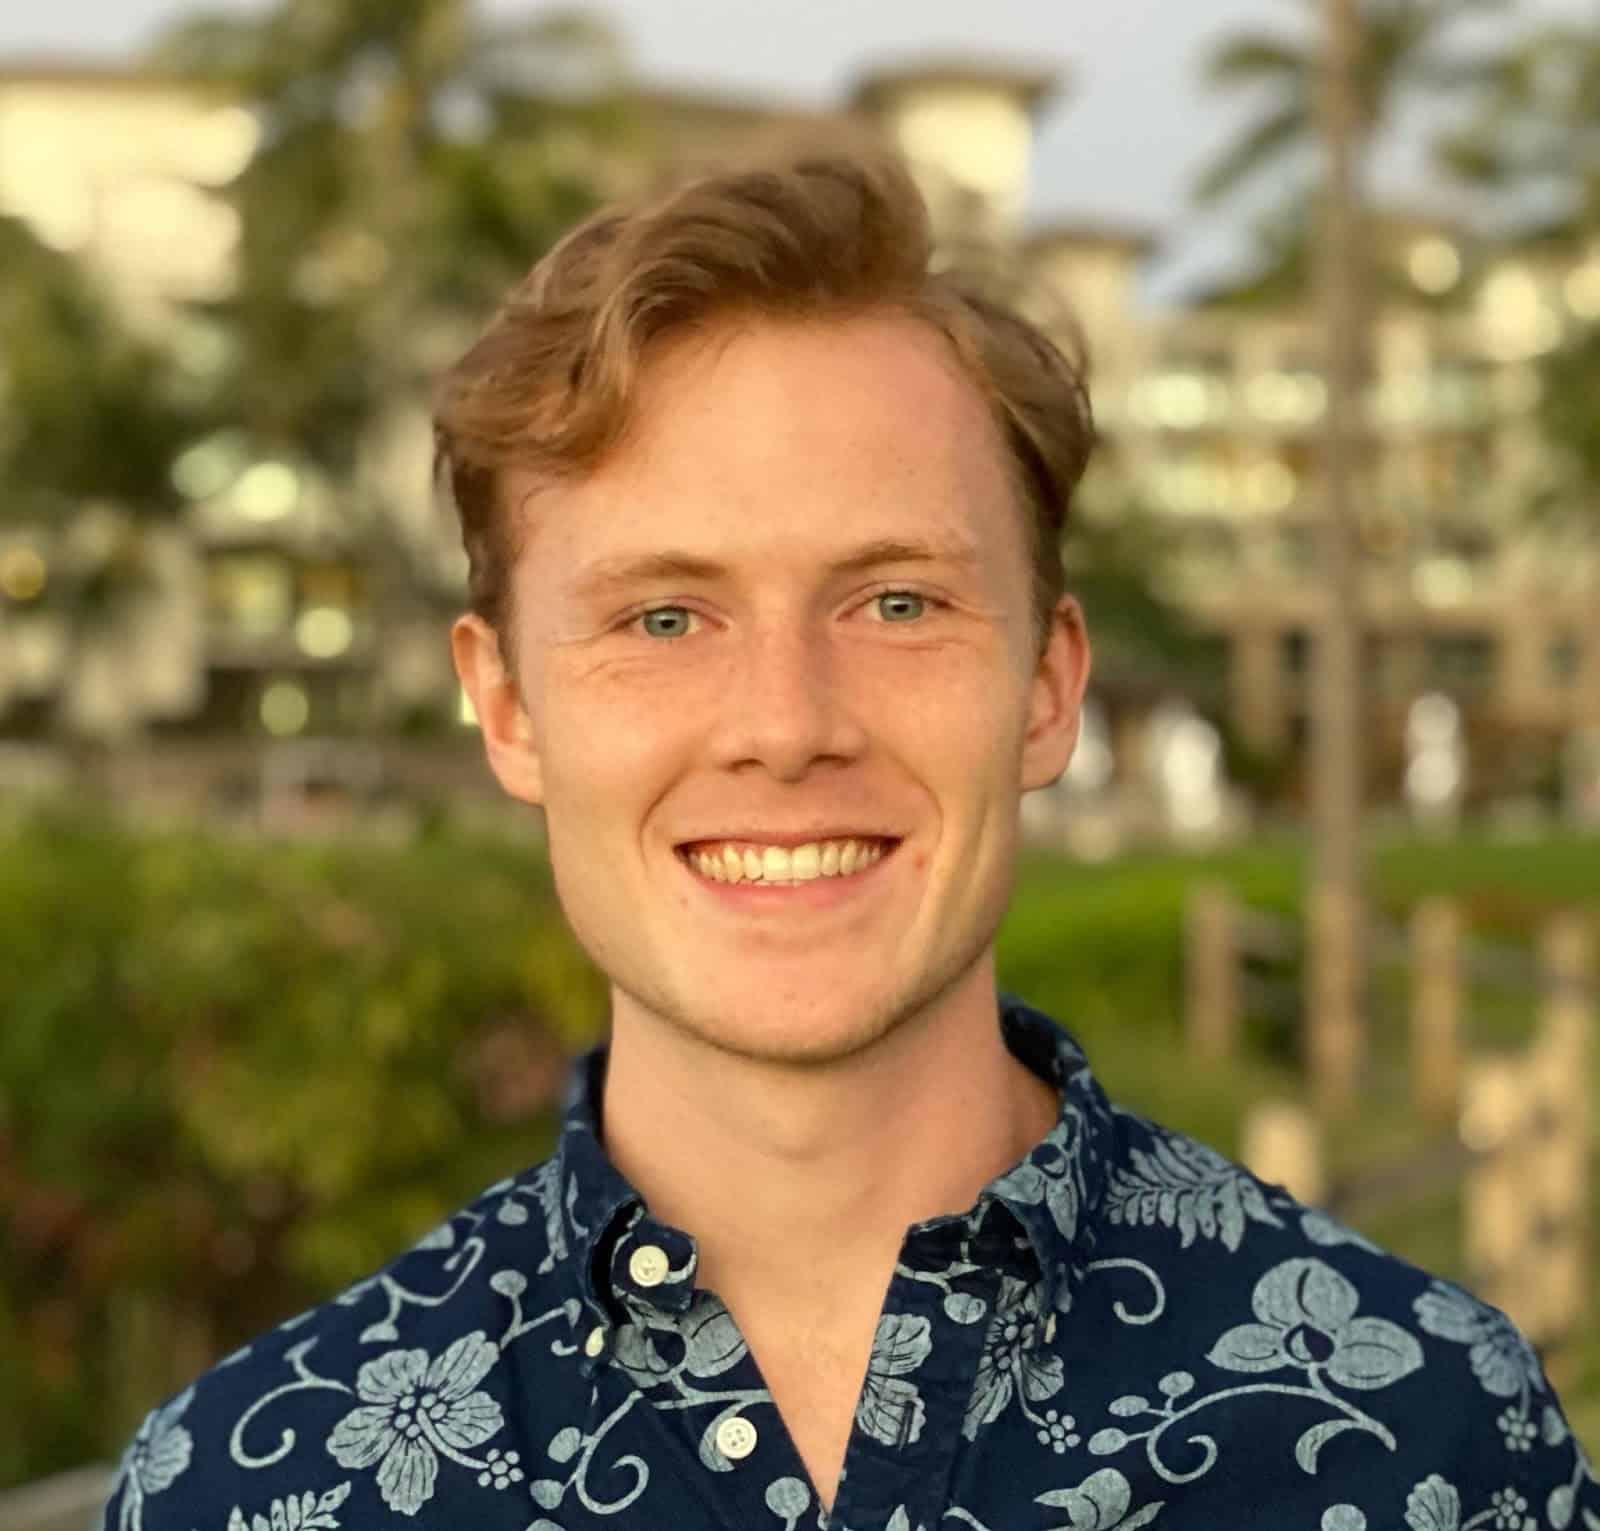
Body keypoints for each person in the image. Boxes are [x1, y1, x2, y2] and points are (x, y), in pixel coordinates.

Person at [102, 144, 1596, 1531]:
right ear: (508, 710)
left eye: (895, 602)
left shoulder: (1430, 1440)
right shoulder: (247, 1492)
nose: (785, 723)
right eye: (663, 618)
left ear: (1047, 687)